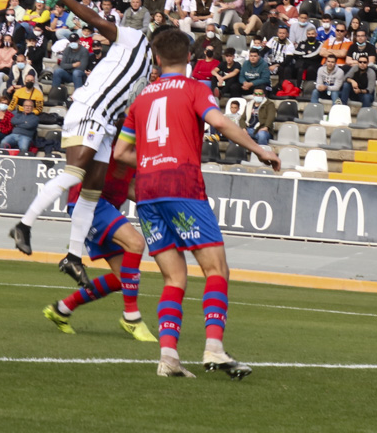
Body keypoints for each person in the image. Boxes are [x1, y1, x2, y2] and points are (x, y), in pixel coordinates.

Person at [113, 26, 279, 378]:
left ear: (157, 59)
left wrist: (151, 161)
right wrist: (260, 150)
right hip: (181, 185)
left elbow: (120, 152)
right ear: (189, 57)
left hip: (147, 192)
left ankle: (169, 357)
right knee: (216, 269)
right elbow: (219, 122)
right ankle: (214, 348)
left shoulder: (141, 99)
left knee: (174, 278)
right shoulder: (195, 89)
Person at [9, 0, 153, 290]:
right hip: (91, 110)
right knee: (75, 173)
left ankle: (73, 256)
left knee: (91, 188)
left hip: (106, 123)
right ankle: (24, 224)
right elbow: (97, 21)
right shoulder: (135, 39)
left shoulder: (148, 73)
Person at [43, 156, 157, 342]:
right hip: (88, 201)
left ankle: (61, 309)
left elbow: (129, 187)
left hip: (103, 205)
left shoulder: (136, 145)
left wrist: (160, 206)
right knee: (135, 243)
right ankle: (131, 317)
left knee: (124, 277)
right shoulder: (117, 136)